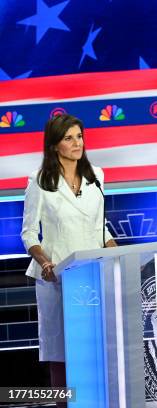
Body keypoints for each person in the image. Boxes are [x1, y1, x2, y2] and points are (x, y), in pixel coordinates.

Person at [21, 114, 116, 408]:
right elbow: (28, 233)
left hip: (92, 276)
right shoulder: (39, 182)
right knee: (62, 354)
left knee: (94, 349)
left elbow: (100, 227)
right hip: (57, 280)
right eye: (69, 138)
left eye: (80, 136)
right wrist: (46, 262)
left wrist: (118, 253)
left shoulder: (96, 176)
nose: (77, 143)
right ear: (54, 146)